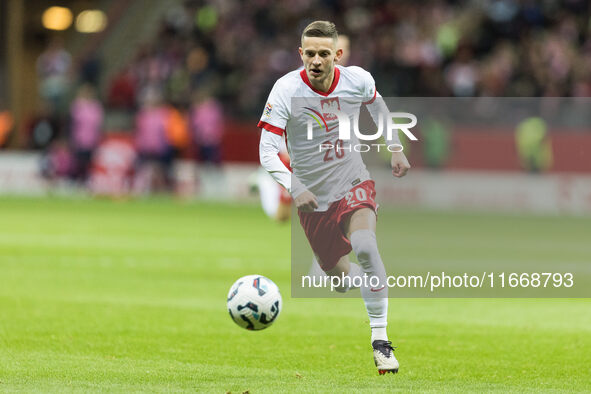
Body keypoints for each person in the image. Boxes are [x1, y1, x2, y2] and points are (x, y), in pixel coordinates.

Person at [258, 21, 410, 374]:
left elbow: (379, 107)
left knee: (366, 247)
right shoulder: (285, 90)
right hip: (313, 200)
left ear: (337, 55)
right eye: (309, 53)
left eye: (323, 53)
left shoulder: (357, 79)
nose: (315, 60)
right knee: (338, 279)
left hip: (353, 182)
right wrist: (295, 186)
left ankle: (381, 341)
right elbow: (267, 150)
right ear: (301, 54)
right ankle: (364, 280)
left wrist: (396, 148)